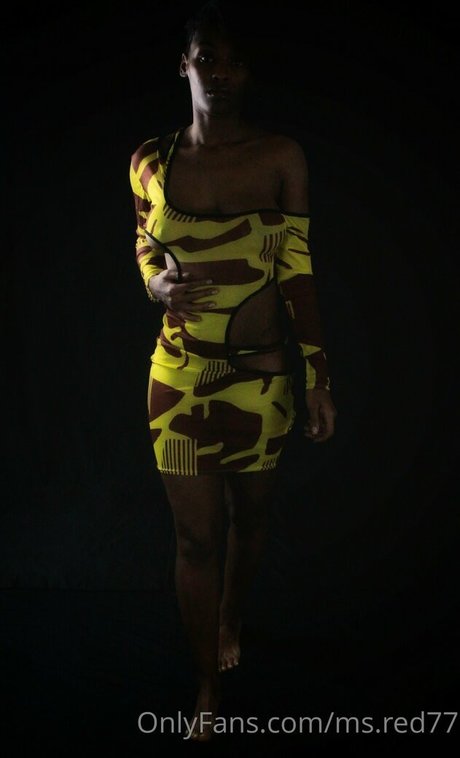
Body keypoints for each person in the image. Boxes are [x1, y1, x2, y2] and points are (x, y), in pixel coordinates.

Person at [129, 0, 337, 741]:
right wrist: (154, 282)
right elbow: (145, 242)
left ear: (248, 73)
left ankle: (231, 614)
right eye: (207, 58)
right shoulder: (150, 160)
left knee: (250, 521)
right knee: (194, 541)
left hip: (260, 378)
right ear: (183, 65)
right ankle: (206, 689)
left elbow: (298, 273)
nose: (220, 72)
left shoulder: (281, 158)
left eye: (234, 61)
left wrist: (317, 377)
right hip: (179, 377)